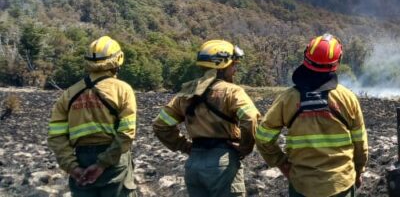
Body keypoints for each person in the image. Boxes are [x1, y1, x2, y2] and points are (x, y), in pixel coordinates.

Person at [256, 34, 368, 197]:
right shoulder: (347, 98)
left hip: (302, 185)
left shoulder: (288, 99)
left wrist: (282, 164)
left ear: (306, 57)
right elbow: (360, 143)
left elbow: (263, 138)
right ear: (337, 62)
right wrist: (359, 170)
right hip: (341, 183)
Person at [153, 39, 259, 196]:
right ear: (222, 65)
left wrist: (185, 147)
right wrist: (245, 147)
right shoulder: (232, 91)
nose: (235, 70)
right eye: (233, 64)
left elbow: (161, 125)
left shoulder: (185, 93)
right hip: (222, 163)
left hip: (194, 164)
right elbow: (251, 118)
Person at [47, 36, 138, 196]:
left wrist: (72, 167)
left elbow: (56, 136)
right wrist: (102, 164)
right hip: (114, 161)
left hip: (81, 159)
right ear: (119, 59)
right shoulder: (122, 90)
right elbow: (126, 133)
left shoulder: (69, 94)